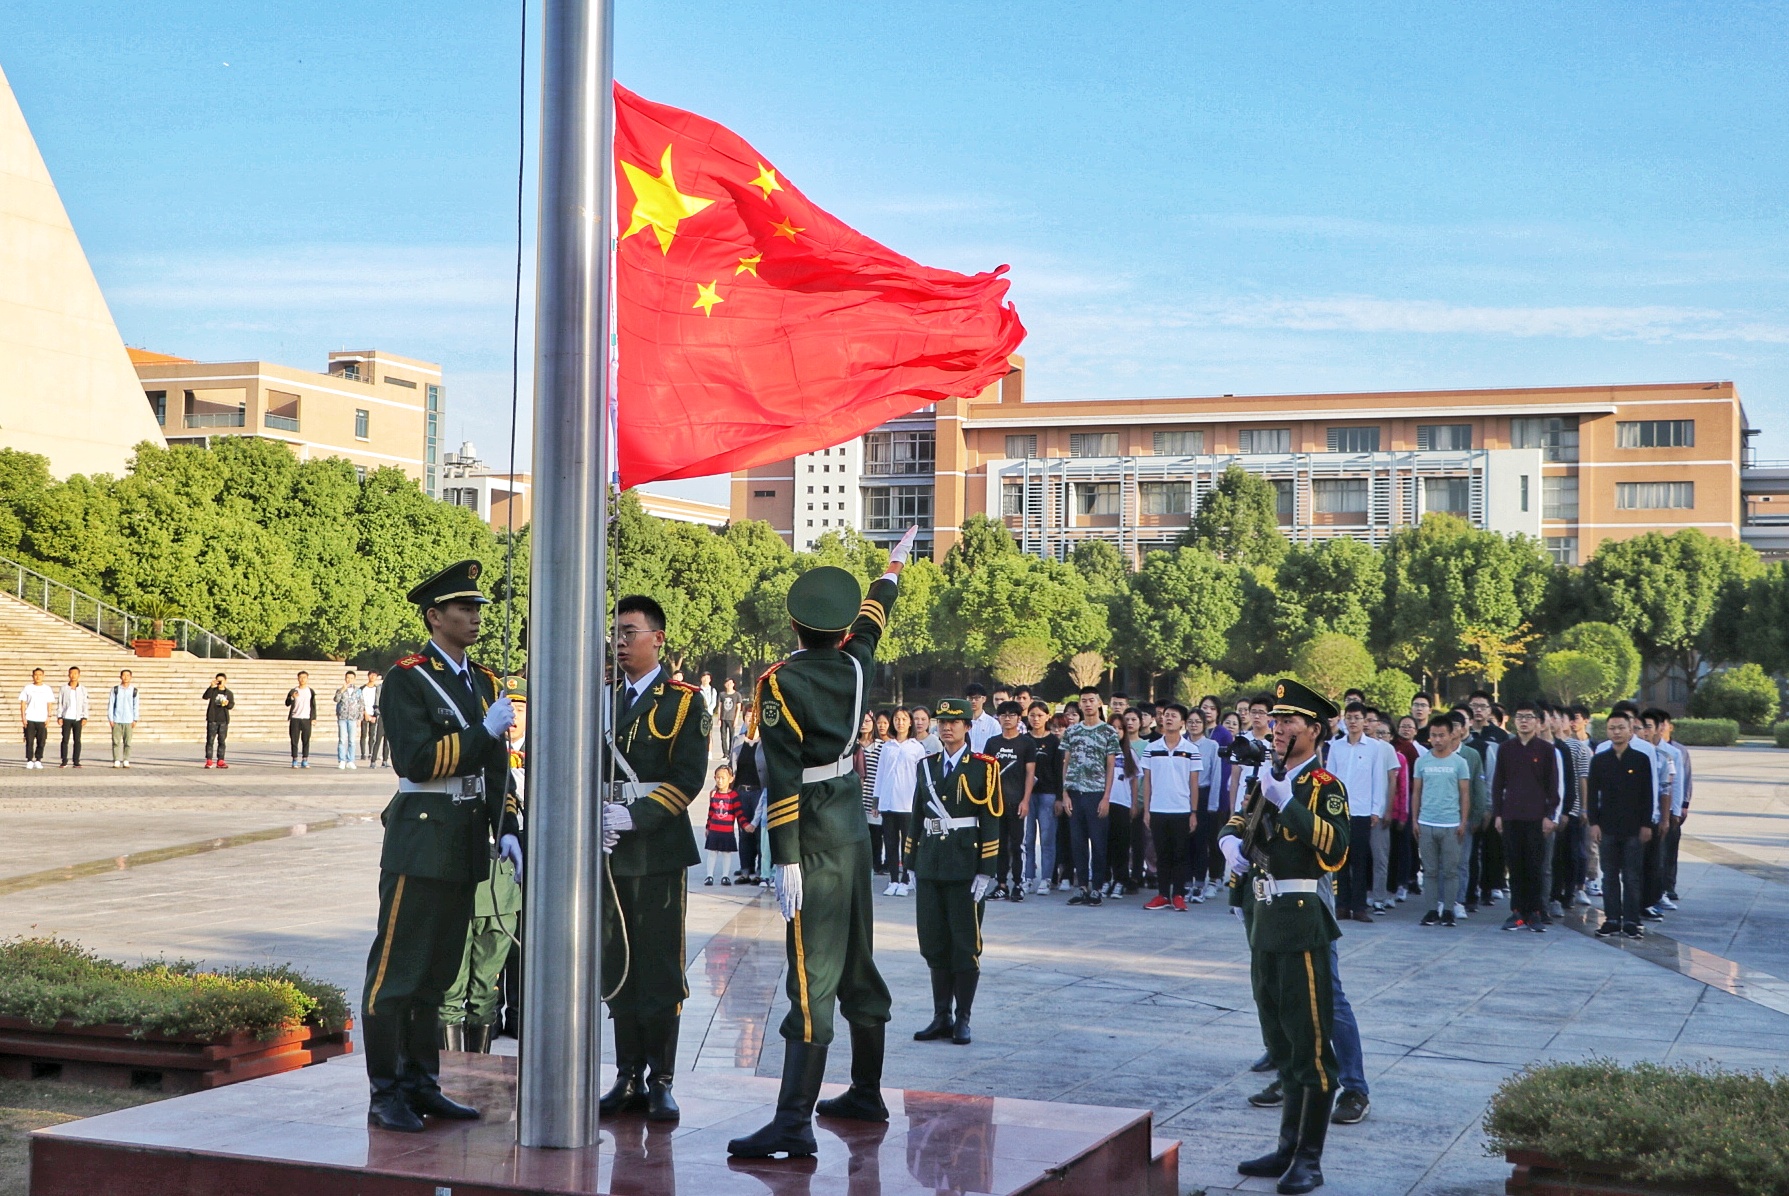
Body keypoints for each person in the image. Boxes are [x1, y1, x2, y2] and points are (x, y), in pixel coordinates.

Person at [727, 525, 917, 1160]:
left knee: (811, 975)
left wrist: (782, 858)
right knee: (858, 958)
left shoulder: (781, 682)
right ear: (840, 632)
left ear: (794, 624)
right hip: (850, 827)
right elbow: (873, 618)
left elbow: (780, 773)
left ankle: (792, 1121)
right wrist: (891, 570)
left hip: (809, 831)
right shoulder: (858, 663)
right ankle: (865, 1091)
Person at [361, 559, 520, 1133]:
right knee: (397, 974)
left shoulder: (482, 681)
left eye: (478, 608)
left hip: (463, 840)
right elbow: (418, 760)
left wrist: (508, 826)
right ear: (435, 616)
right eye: (464, 608)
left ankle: (423, 1084)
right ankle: (386, 1092)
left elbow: (499, 767)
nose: (476, 617)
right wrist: (482, 731)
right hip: (421, 838)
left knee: (438, 976)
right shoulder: (407, 677)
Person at [1220, 679, 1350, 1195]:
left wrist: (1288, 802)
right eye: (1275, 720)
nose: (1277, 729)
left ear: (1313, 730)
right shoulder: (1265, 778)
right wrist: (1229, 843)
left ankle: (1310, 1160)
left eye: (1289, 721)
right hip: (1264, 919)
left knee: (1312, 1046)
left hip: (1301, 924)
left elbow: (1335, 849)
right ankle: (1286, 1147)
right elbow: (1237, 823)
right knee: (1280, 1039)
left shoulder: (1323, 786)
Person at [598, 594, 710, 1123]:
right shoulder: (601, 697)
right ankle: (626, 1075)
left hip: (657, 847)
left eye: (629, 632)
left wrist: (636, 815)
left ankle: (661, 1078)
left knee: (660, 965)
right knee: (619, 962)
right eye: (615, 633)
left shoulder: (685, 701)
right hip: (609, 847)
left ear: (657, 639)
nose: (619, 642)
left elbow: (688, 777)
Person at [905, 697, 1002, 1046]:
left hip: (965, 865)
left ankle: (963, 1018)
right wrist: (910, 861)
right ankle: (940, 1016)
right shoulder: (926, 765)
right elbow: (917, 815)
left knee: (964, 943)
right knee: (933, 941)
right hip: (931, 862)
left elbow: (991, 820)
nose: (947, 727)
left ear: (968, 727)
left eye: (955, 721)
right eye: (942, 721)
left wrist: (986, 870)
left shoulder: (983, 767)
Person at [438, 679, 525, 1054]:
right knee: (451, 987)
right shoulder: (469, 751)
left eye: (521, 708)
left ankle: (479, 1072)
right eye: (509, 708)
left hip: (504, 886)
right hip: (463, 881)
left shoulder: (546, 756)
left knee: (485, 987)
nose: (514, 716)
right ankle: (453, 1077)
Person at [1324, 702, 1399, 922]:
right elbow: (1330, 779)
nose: (1353, 722)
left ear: (1364, 720)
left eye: (1357, 717)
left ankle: (1359, 907)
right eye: (1349, 717)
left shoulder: (1375, 748)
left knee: (1360, 860)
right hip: (1339, 811)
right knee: (1340, 860)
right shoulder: (1337, 746)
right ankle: (1342, 905)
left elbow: (1379, 780)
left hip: (1362, 810)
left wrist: (1377, 809)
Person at [1491, 700, 1560, 933]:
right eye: (1519, 716)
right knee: (1515, 865)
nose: (1524, 721)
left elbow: (1553, 786)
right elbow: (1498, 783)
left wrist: (1550, 815)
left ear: (1538, 722)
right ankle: (1517, 912)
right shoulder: (1506, 749)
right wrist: (1498, 814)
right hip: (1511, 816)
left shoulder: (1546, 749)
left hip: (1536, 817)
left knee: (1535, 866)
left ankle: (1536, 912)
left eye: (1529, 717)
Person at [1588, 711, 1656, 939]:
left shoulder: (1640, 759)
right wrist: (1593, 822)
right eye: (1612, 728)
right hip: (1607, 827)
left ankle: (1631, 921)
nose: (1616, 732)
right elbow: (1592, 795)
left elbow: (1648, 794)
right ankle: (1612, 919)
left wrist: (1647, 824)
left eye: (1621, 727)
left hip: (1634, 828)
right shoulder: (1600, 759)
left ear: (1630, 730)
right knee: (1609, 876)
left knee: (1632, 875)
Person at [1062, 686, 1120, 907]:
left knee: (1098, 843)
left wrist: (1106, 797)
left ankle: (1097, 887)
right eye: (1083, 700)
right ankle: (1082, 887)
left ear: (1099, 703)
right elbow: (1066, 762)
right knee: (1077, 843)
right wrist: (1064, 793)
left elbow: (1111, 765)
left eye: (1091, 700)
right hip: (1075, 793)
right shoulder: (1072, 731)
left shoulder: (1108, 732)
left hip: (1096, 793)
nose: (1087, 704)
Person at [1411, 715, 1471, 927]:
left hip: (1451, 824)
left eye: (1441, 735)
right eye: (1434, 735)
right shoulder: (1422, 761)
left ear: (1451, 735)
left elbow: (1465, 794)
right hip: (1427, 822)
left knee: (1451, 870)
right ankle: (1431, 910)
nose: (1437, 740)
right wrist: (1415, 820)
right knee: (1430, 870)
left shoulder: (1459, 763)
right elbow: (1416, 792)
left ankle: (1448, 910)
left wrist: (1463, 821)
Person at [1140, 703, 1199, 911]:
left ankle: (1179, 895)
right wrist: (1146, 809)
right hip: (1158, 809)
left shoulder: (1191, 750)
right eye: (1166, 715)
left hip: (1182, 810)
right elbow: (1146, 781)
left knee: (1180, 855)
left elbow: (1194, 783)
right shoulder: (1151, 749)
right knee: (1162, 854)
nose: (1168, 719)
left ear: (1182, 722)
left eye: (1173, 716)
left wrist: (1193, 812)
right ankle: (1163, 895)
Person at [986, 700, 1035, 901]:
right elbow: (987, 772)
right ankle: (1001, 884)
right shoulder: (992, 743)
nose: (1007, 718)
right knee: (999, 845)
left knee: (1017, 845)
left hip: (1017, 801)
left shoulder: (1026, 743)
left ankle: (1018, 883)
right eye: (1003, 715)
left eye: (1012, 715)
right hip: (996, 803)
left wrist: (1025, 801)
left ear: (1018, 718)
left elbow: (1030, 774)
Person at [875, 707, 925, 897]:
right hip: (888, 803)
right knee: (890, 842)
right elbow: (880, 775)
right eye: (897, 719)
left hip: (907, 804)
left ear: (910, 722)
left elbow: (921, 778)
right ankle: (893, 880)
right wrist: (876, 800)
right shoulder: (887, 746)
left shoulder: (916, 747)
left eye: (904, 719)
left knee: (908, 843)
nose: (900, 723)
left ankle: (906, 880)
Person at [1020, 701, 1061, 897]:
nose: (1036, 719)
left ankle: (1046, 878)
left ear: (1047, 717)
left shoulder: (1054, 742)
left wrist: (1060, 797)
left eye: (1039, 715)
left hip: (1048, 794)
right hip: (1028, 795)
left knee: (1047, 838)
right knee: (1027, 839)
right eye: (1032, 715)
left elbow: (1059, 772)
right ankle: (1028, 877)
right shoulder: (1024, 740)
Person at [1106, 709, 1143, 898]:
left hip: (1122, 803)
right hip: (1104, 803)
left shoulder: (1130, 754)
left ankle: (1120, 880)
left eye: (1120, 728)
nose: (1116, 731)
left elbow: (1135, 780)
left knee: (1122, 844)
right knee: (1105, 844)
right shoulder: (1102, 752)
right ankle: (1105, 879)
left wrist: (1134, 804)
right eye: (1113, 727)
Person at [705, 764, 742, 886]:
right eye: (718, 778)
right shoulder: (713, 794)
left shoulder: (733, 796)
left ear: (731, 779)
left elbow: (739, 812)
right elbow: (711, 812)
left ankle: (725, 876)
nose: (720, 781)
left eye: (723, 778)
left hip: (727, 831)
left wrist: (745, 824)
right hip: (714, 829)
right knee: (712, 853)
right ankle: (709, 875)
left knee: (726, 853)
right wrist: (707, 827)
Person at [55, 666, 90, 768]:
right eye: (71, 673)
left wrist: (85, 717)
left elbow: (85, 703)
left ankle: (76, 760)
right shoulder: (63, 688)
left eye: (75, 673)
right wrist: (59, 716)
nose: (73, 675)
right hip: (66, 717)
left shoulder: (83, 689)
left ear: (79, 675)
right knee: (65, 739)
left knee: (77, 740)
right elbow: (60, 703)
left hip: (78, 718)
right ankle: (64, 760)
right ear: (68, 674)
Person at [19, 667, 52, 769]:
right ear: (32, 676)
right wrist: (23, 717)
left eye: (40, 675)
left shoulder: (47, 689)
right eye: (36, 675)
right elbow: (23, 703)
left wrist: (49, 717)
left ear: (43, 676)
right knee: (29, 740)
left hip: (42, 718)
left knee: (41, 740)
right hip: (30, 717)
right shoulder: (28, 688)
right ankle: (29, 760)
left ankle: (38, 759)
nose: (38, 677)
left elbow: (49, 703)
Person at [107, 669, 139, 768]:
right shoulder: (115, 690)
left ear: (131, 677)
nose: (125, 677)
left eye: (128, 675)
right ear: (120, 677)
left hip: (129, 720)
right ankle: (116, 759)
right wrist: (111, 719)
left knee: (128, 742)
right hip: (117, 719)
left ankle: (126, 760)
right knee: (116, 741)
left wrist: (135, 719)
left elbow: (136, 705)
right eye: (124, 675)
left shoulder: (134, 690)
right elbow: (111, 704)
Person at [202, 673, 234, 769]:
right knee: (210, 741)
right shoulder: (213, 691)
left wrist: (227, 704)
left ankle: (220, 760)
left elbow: (231, 705)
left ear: (225, 681)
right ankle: (209, 760)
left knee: (222, 741)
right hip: (213, 719)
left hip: (223, 720)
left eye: (221, 680)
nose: (219, 682)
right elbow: (205, 697)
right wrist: (211, 687)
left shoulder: (228, 693)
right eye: (218, 680)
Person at [335, 670, 364, 770]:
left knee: (352, 741)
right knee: (342, 740)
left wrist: (360, 718)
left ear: (354, 679)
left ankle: (350, 760)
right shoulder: (341, 690)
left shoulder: (358, 691)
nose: (349, 680)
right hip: (342, 718)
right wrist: (342, 690)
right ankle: (342, 760)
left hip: (353, 718)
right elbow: (336, 699)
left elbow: (361, 705)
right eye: (348, 678)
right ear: (345, 678)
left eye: (351, 678)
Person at [286, 672, 316, 768]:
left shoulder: (310, 691)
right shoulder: (293, 691)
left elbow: (313, 706)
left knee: (306, 740)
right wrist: (291, 697)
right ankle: (294, 759)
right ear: (297, 679)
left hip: (306, 719)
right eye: (300, 677)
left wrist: (313, 718)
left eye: (304, 677)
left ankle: (305, 759)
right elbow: (287, 703)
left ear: (307, 678)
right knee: (294, 740)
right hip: (295, 718)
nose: (302, 679)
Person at [964, 683, 1000, 754]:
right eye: (970, 698)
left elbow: (997, 746)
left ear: (984, 699)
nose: (973, 701)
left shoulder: (993, 724)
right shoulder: (962, 722)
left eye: (977, 698)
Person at [362, 670, 384, 765]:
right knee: (363, 734)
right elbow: (360, 701)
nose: (372, 677)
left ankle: (371, 753)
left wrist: (375, 714)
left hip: (374, 714)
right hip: (365, 713)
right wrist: (364, 713)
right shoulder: (363, 688)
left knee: (372, 734)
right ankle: (363, 753)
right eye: (371, 675)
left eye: (374, 675)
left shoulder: (377, 688)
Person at [717, 677, 743, 756]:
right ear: (725, 685)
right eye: (727, 683)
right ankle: (725, 753)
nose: (729, 685)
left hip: (732, 718)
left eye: (731, 683)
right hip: (723, 718)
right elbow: (719, 707)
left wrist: (736, 719)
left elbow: (738, 708)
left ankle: (731, 752)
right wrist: (719, 719)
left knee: (732, 736)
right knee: (723, 737)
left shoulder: (737, 695)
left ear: (733, 684)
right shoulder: (722, 694)